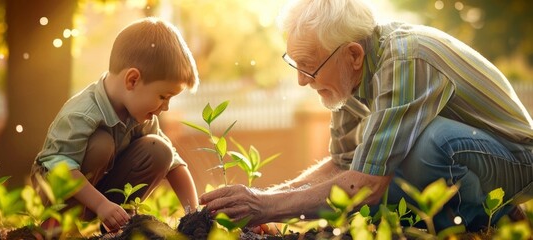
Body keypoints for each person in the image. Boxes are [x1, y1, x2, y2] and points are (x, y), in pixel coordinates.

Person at [200, 0, 533, 232]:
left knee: (430, 144)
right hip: (472, 160)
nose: (301, 80)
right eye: (295, 64)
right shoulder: (349, 80)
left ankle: (489, 217)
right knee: (367, 192)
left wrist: (266, 205)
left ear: (353, 55)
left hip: (516, 159)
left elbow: (366, 183)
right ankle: (452, 218)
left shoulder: (404, 61)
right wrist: (268, 202)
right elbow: (344, 165)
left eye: (308, 67)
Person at [31, 17, 200, 233]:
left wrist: (194, 214)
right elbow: (59, 168)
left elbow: (174, 164)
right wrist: (100, 204)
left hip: (100, 195)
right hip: (58, 191)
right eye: (163, 96)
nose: (165, 107)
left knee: (160, 151)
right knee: (102, 144)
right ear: (132, 80)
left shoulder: (140, 114)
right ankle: (60, 225)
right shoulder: (82, 113)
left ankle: (118, 221)